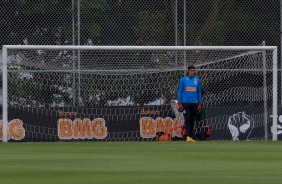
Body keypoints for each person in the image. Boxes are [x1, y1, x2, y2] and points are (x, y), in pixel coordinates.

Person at [177, 65, 202, 142]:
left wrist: (199, 102)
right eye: (191, 70)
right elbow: (180, 91)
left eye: (193, 70)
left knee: (192, 119)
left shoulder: (197, 80)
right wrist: (179, 102)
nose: (192, 72)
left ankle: (190, 136)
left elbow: (198, 92)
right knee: (187, 119)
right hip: (185, 103)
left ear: (195, 71)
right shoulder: (183, 80)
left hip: (194, 102)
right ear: (188, 71)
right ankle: (187, 136)